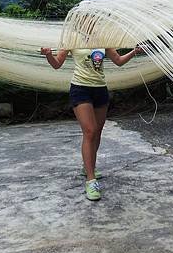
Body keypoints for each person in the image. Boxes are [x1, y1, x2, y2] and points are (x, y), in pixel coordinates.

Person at [41, 45, 142, 201]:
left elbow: (118, 61)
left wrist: (135, 52)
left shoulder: (103, 40)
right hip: (80, 89)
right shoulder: (72, 40)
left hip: (100, 90)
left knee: (98, 131)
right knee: (90, 131)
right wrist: (48, 55)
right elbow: (57, 64)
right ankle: (91, 179)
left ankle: (87, 166)